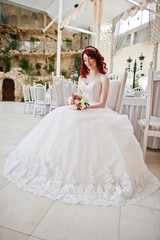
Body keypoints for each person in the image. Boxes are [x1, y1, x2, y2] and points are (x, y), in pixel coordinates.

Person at [4, 46, 160, 206]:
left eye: (90, 58)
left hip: (96, 111)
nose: (87, 62)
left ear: (97, 58)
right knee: (59, 118)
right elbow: (80, 95)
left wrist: (86, 107)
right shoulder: (82, 76)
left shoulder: (103, 78)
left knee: (80, 127)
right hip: (80, 109)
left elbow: (102, 103)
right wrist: (76, 101)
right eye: (85, 60)